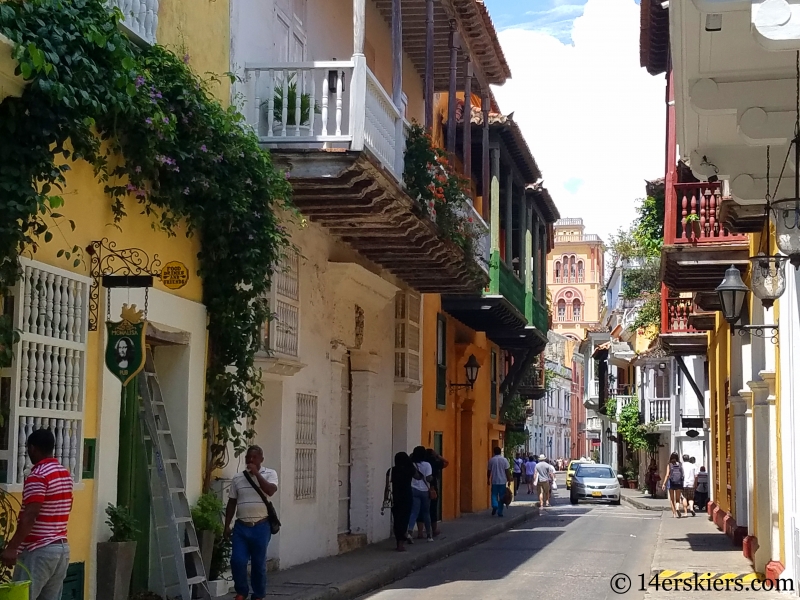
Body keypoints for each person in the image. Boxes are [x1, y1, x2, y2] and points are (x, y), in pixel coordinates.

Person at [0, 428, 73, 600]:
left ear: (32, 448)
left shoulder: (38, 476)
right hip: (61, 549)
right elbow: (67, 507)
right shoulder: (64, 474)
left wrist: (12, 548)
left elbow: (30, 516)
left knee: (20, 597)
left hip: (38, 551)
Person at [224, 445, 279, 600]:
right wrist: (227, 525)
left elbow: (270, 490)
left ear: (261, 459)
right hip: (241, 527)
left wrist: (256, 474)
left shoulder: (270, 474)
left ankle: (259, 594)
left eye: (254, 457)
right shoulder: (237, 478)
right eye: (248, 457)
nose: (250, 460)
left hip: (261, 527)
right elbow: (232, 503)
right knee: (237, 561)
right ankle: (241, 591)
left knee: (258, 564)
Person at [384, 452, 414, 551]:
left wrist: (385, 499)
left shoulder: (391, 471)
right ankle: (402, 539)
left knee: (397, 519)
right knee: (404, 520)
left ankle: (399, 543)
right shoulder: (409, 470)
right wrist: (411, 462)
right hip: (407, 497)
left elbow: (387, 486)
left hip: (395, 497)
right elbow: (420, 477)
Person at [415, 448, 448, 538]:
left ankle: (420, 532)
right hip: (432, 489)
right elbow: (446, 462)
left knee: (421, 511)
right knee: (432, 510)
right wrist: (437, 455)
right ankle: (434, 530)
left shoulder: (419, 464)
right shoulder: (435, 463)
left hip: (419, 489)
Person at [407, 446, 434, 541]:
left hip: (414, 489)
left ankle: (409, 532)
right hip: (424, 491)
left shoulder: (412, 464)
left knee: (414, 512)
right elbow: (428, 478)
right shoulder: (427, 465)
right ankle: (429, 535)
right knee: (426, 513)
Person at [661, 452, 686, 518]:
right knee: (677, 499)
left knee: (672, 499)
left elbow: (667, 475)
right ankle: (677, 508)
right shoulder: (680, 464)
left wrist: (663, 484)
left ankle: (674, 514)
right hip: (678, 483)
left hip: (671, 483)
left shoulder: (669, 465)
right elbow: (682, 474)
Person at [487, 447, 510, 517]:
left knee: (494, 494)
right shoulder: (504, 460)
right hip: (502, 481)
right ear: (500, 452)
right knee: (502, 497)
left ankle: (495, 505)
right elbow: (507, 471)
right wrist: (508, 479)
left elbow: (489, 471)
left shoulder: (491, 460)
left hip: (494, 480)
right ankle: (500, 512)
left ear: (494, 452)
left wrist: (488, 479)